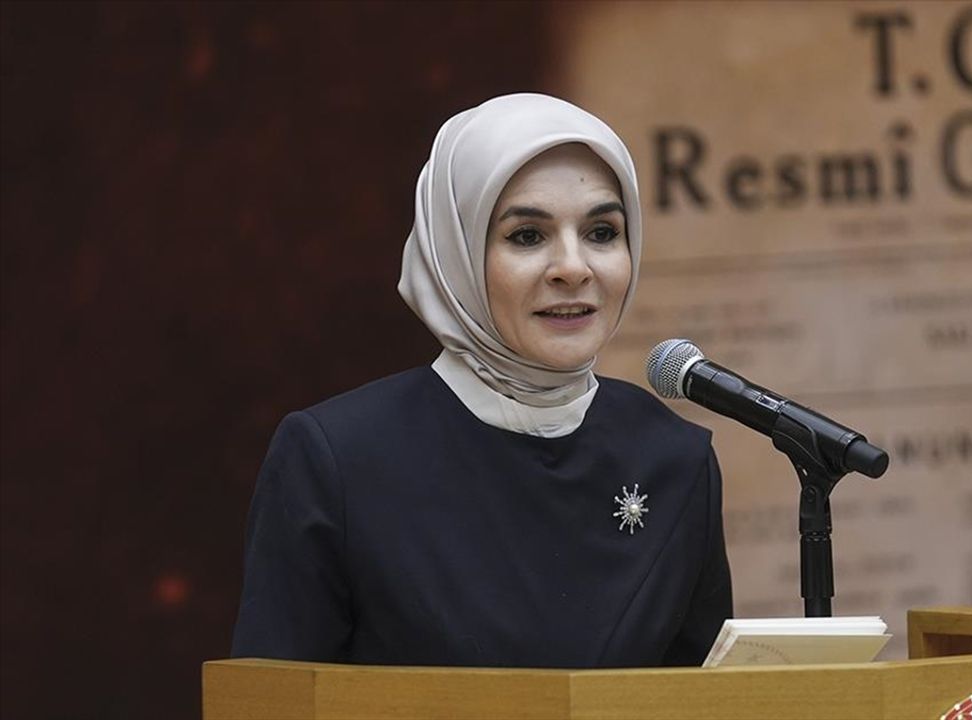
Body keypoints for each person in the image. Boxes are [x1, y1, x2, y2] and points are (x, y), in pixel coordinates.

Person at [230, 93, 732, 668]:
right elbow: (274, 699)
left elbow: (700, 697)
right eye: (527, 236)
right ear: (456, 252)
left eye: (601, 231)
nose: (574, 268)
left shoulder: (674, 458)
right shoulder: (337, 459)